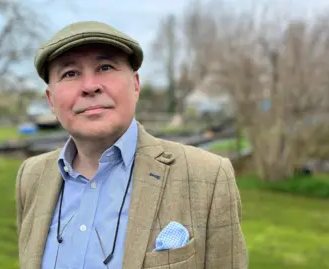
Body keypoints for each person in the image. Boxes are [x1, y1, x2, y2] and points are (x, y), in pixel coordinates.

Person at [15, 21, 248, 269]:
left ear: (136, 85)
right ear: (51, 100)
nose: (90, 86)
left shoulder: (208, 178)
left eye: (105, 67)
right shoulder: (31, 177)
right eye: (70, 73)